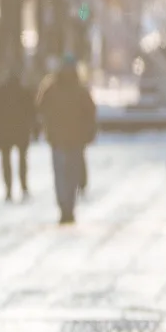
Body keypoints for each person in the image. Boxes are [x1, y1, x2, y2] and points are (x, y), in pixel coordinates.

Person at [35, 54, 97, 225]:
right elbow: (90, 112)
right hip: (75, 138)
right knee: (72, 173)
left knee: (61, 174)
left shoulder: (52, 88)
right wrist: (88, 132)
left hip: (58, 138)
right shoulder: (80, 90)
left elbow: (41, 109)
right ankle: (69, 206)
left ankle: (64, 206)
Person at [0, 66, 37, 201]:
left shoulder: (0, 92)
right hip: (21, 131)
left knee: (6, 160)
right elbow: (32, 112)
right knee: (22, 160)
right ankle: (24, 186)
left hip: (5, 132)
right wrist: (34, 129)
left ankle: (8, 189)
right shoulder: (24, 92)